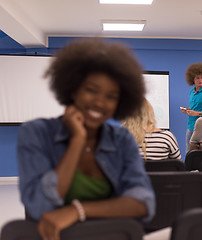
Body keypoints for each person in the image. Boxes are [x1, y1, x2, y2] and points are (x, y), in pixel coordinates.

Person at [16, 39, 155, 240]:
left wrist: (77, 211)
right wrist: (77, 142)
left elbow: (143, 203)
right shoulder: (36, 133)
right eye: (91, 90)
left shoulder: (121, 139)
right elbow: (40, 206)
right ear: (73, 89)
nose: (100, 102)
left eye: (111, 96)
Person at [181, 62, 202, 153]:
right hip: (190, 126)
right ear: (192, 79)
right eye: (197, 78)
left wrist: (197, 113)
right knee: (188, 152)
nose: (200, 80)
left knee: (200, 154)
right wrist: (187, 110)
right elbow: (194, 107)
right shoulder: (191, 91)